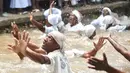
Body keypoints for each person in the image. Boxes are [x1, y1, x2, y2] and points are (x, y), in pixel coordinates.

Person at [8, 28, 105, 73]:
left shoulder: (54, 55)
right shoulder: (66, 53)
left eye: (50, 38)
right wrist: (95, 49)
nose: (45, 39)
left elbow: (42, 59)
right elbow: (88, 54)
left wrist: (25, 51)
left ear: (57, 44)